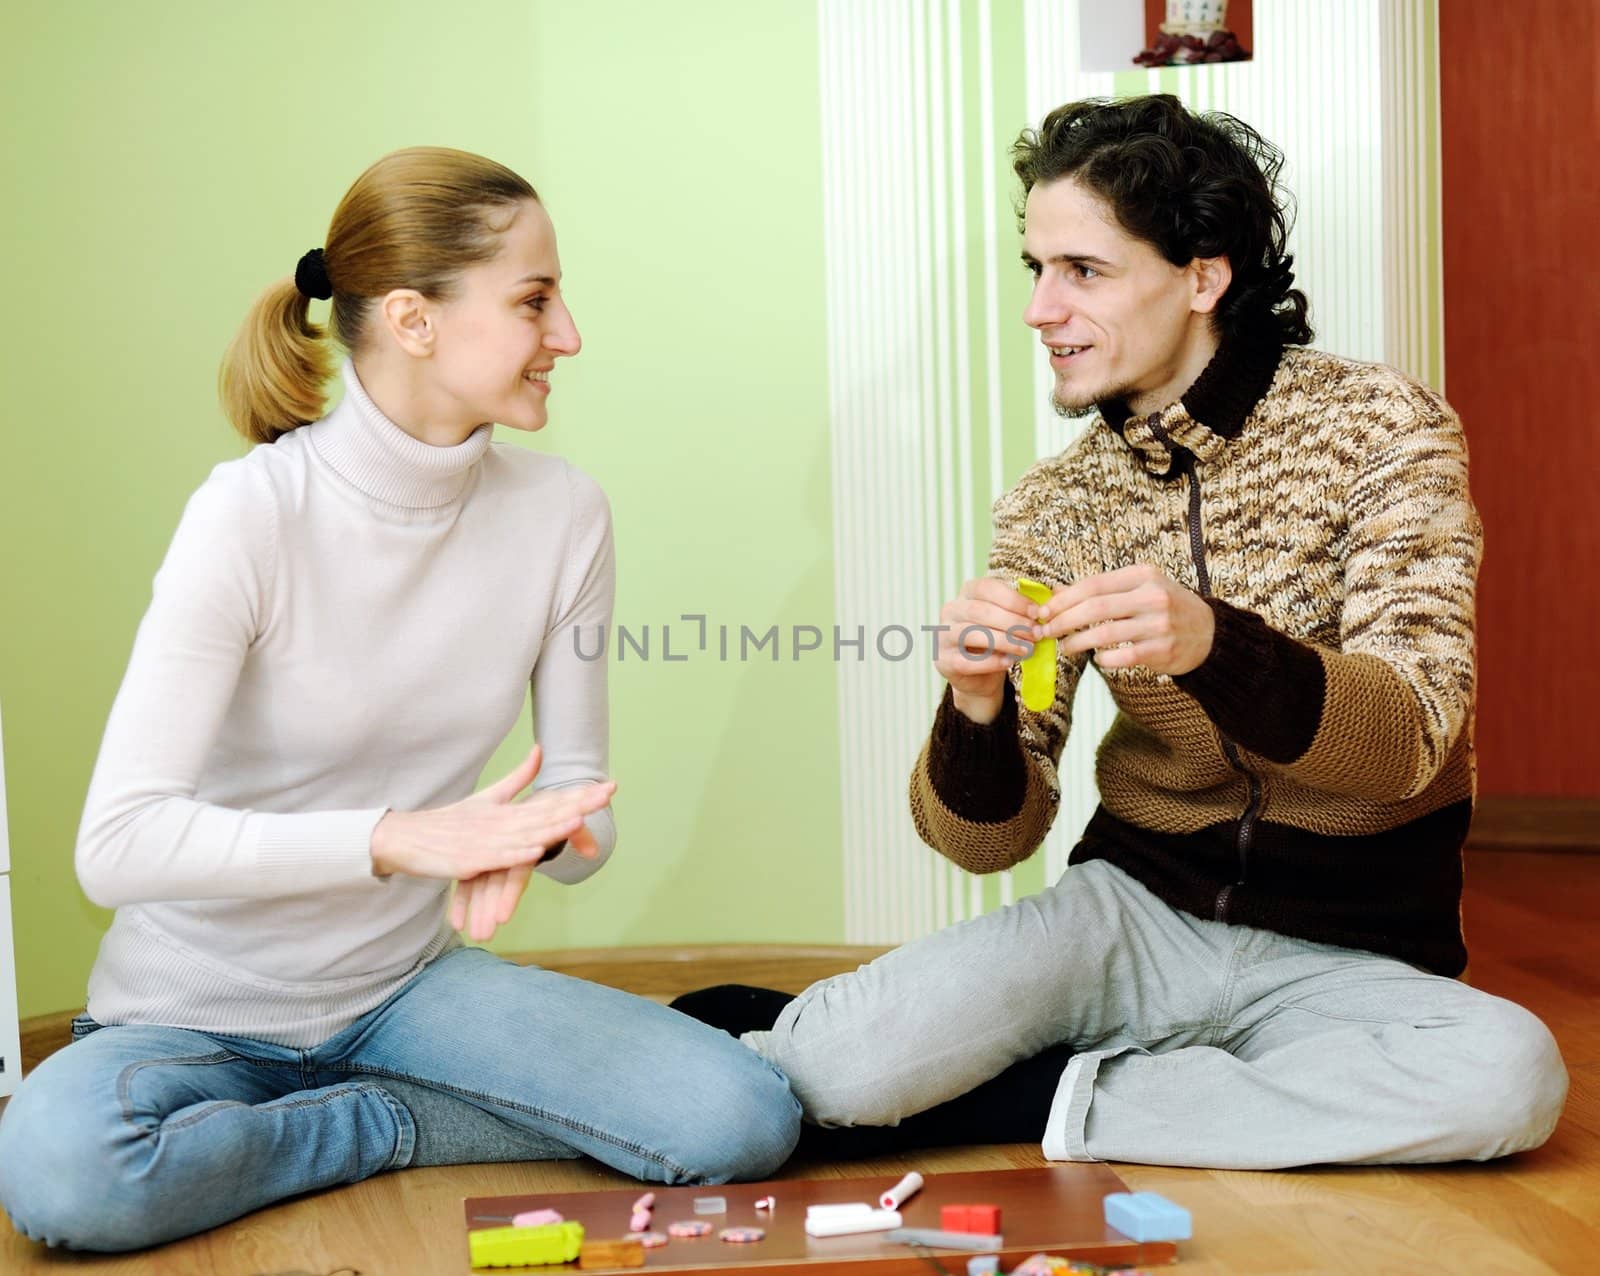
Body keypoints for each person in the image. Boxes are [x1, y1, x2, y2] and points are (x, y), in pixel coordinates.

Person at [676, 95, 1569, 1168]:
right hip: (1132, 916)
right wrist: (975, 708)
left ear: (1202, 276)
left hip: (1351, 954)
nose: (1040, 310)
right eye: (1035, 268)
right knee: (830, 1073)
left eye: (1083, 272)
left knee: (1505, 1080)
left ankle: (1033, 1095)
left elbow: (1408, 739)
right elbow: (989, 839)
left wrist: (1213, 644)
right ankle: (944, 1056)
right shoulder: (1057, 506)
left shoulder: (1379, 429)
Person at [0, 147, 798, 1253]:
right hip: (190, 1013)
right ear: (415, 320)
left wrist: (541, 837)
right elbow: (119, 846)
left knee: (738, 1117)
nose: (567, 334)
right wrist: (400, 838)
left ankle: (367, 1122)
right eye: (533, 300)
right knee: (66, 1175)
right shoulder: (252, 513)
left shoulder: (563, 512)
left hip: (404, 993)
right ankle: (381, 1121)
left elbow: (579, 788)